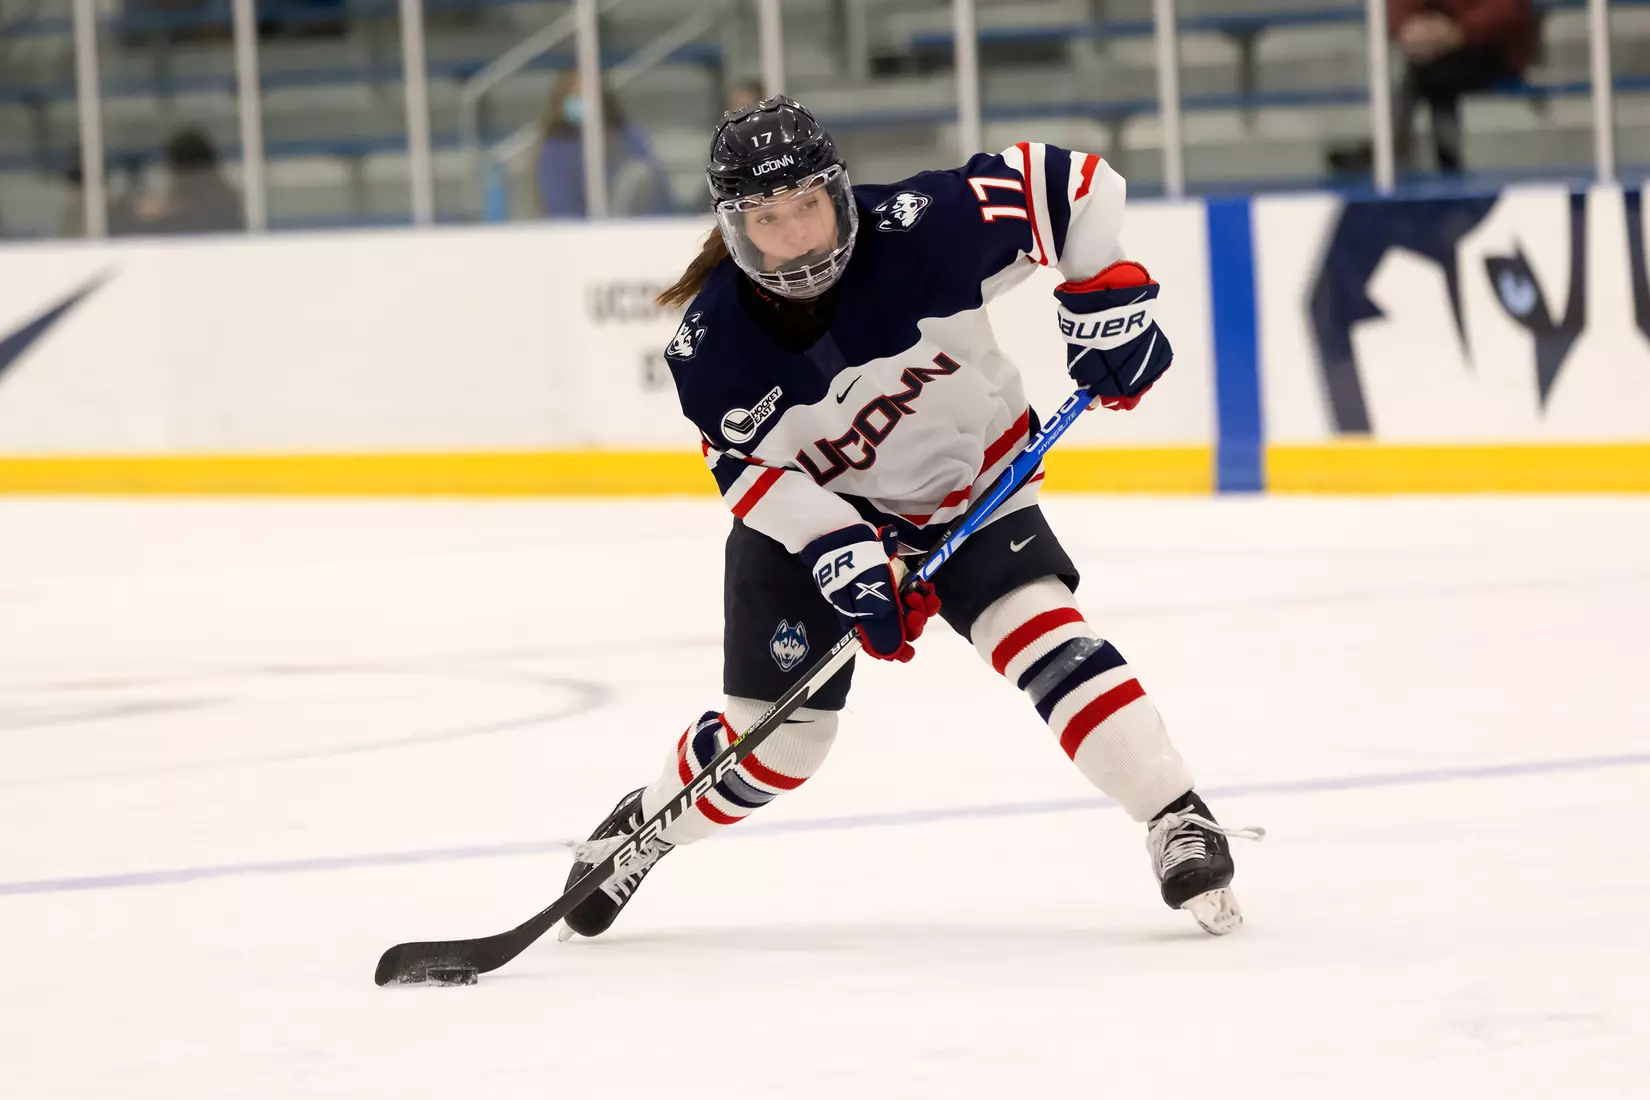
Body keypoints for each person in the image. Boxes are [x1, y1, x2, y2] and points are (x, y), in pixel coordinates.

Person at [558, 97, 1263, 942]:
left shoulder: (923, 228)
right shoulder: (710, 347)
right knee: (782, 748)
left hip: (969, 488)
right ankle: (643, 831)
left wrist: (1101, 290)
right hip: (815, 523)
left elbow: (1073, 183)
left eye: (809, 207)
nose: (796, 237)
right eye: (768, 219)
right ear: (734, 225)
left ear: (840, 193)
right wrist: (843, 552)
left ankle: (1175, 817)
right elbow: (744, 471)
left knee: (1040, 630)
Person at [1391, 0, 1539, 172]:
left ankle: (1395, 154)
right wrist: (1410, 26)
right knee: (1427, 72)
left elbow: (1509, 10)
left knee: (1427, 75)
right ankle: (1442, 161)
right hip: (1438, 50)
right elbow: (1399, 10)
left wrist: (1459, 30)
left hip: (1492, 45)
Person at [536, 70, 673, 218]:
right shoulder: (555, 149)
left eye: (588, 93)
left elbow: (651, 181)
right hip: (581, 233)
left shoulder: (626, 135)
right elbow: (559, 207)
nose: (582, 100)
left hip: (636, 228)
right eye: (575, 95)